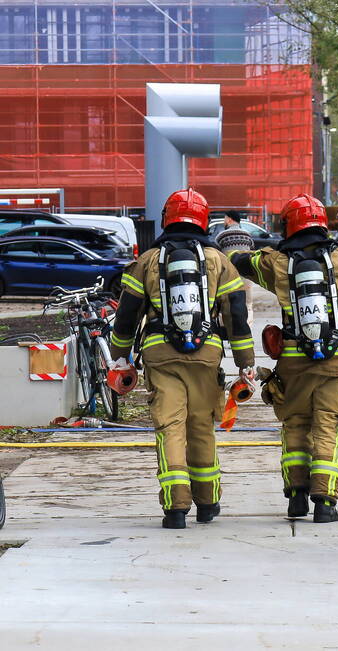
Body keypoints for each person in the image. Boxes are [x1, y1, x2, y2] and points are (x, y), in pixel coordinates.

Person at [109, 188, 255, 529]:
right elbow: (236, 315)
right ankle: (208, 503)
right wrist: (244, 361)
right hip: (206, 355)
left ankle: (175, 509)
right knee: (201, 427)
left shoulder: (147, 260)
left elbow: (127, 316)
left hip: (160, 356)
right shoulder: (218, 261)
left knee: (170, 427)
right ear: (204, 220)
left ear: (166, 219)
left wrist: (119, 356)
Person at [228, 194, 338, 523]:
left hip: (293, 357)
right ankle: (325, 502)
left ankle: (296, 496)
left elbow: (240, 262)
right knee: (329, 425)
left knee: (295, 423)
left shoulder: (275, 262)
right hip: (337, 357)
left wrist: (232, 243)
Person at [215, 210, 255, 321]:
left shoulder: (221, 236)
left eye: (224, 218)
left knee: (227, 306)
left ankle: (228, 331)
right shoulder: (248, 235)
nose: (224, 221)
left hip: (229, 278)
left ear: (229, 219)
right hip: (247, 277)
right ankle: (248, 329)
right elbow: (252, 252)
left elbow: (217, 257)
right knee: (248, 306)